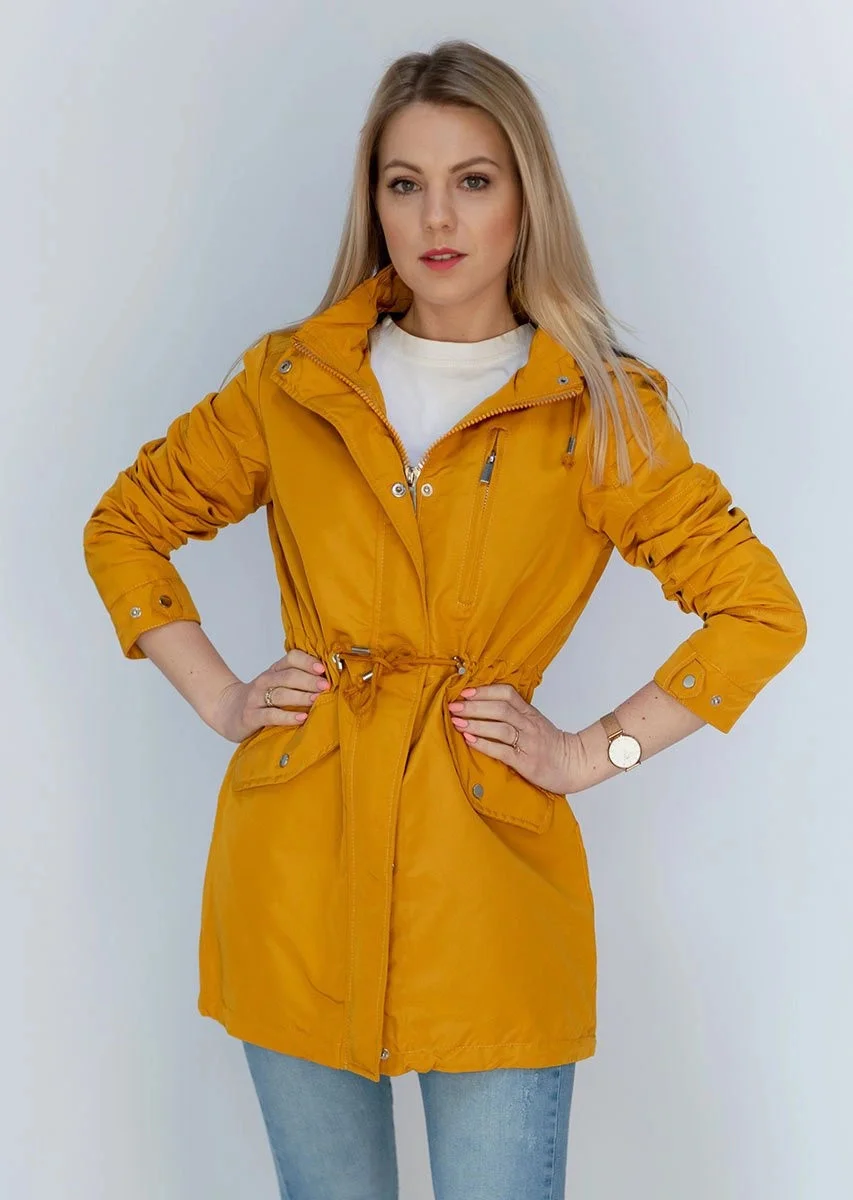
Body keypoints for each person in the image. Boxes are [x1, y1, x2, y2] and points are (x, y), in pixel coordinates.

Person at [82, 38, 807, 1200]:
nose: (436, 217)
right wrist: (220, 695)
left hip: (489, 887)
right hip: (294, 871)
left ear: (526, 198)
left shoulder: (595, 408)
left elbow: (758, 610)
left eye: (473, 180)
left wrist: (593, 751)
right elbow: (126, 525)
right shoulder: (291, 383)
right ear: (371, 201)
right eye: (403, 181)